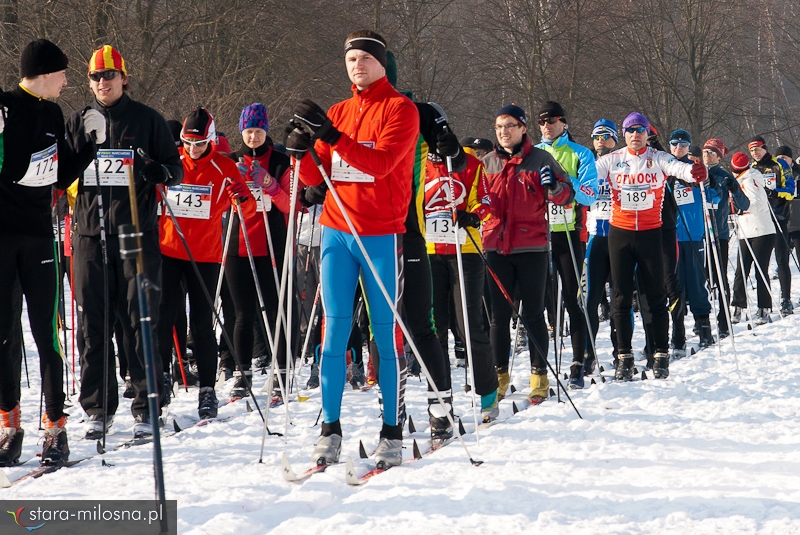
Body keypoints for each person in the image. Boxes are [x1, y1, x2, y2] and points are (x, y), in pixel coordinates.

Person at [287, 29, 419, 468]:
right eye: (350, 60)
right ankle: (330, 427)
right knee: (333, 333)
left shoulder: (401, 109)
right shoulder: (340, 111)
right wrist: (300, 151)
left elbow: (381, 165)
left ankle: (392, 430)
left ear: (382, 63)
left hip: (380, 233)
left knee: (385, 334)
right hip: (336, 232)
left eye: (365, 58)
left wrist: (334, 137)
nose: (357, 65)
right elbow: (313, 180)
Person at [65, 45, 182, 438]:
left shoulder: (147, 119)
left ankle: (147, 404)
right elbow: (62, 172)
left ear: (124, 77)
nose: (103, 83)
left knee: (139, 321)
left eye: (110, 75)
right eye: (96, 77)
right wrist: (81, 148)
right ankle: (98, 409)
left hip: (135, 234)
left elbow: (175, 171)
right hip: (89, 236)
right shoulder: (79, 120)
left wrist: (154, 170)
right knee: (93, 325)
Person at [0, 39, 99, 466]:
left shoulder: (54, 113)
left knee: (45, 335)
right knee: (4, 336)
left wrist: (90, 147)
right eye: (62, 73)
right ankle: (9, 426)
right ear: (42, 73)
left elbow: (57, 175)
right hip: (2, 236)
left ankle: (55, 427)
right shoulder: (5, 106)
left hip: (40, 235)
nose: (67, 80)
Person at [157, 107, 254, 419]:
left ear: (210, 140)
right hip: (169, 250)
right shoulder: (174, 161)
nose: (192, 149)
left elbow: (246, 207)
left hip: (204, 256)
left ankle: (208, 391)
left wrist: (241, 196)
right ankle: (158, 384)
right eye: (187, 142)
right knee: (163, 318)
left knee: (201, 324)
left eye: (198, 143)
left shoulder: (224, 166)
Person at [594, 112, 707, 380]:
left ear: (647, 134)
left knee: (656, 296)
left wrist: (695, 172)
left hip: (650, 233)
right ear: (624, 134)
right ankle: (624, 357)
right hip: (619, 234)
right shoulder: (611, 160)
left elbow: (680, 169)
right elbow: (587, 176)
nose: (636, 135)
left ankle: (660, 354)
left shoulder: (658, 158)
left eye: (640, 130)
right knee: (620, 297)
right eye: (631, 130)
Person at [482, 104, 574, 404]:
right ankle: (499, 377)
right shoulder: (487, 164)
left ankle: (539, 375)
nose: (503, 132)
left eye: (509, 126)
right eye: (499, 128)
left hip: (531, 246)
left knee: (533, 314)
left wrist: (553, 187)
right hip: (495, 246)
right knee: (499, 317)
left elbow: (566, 195)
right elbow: (475, 200)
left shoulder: (540, 159)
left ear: (523, 129)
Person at [423, 105, 499, 423]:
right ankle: (441, 404)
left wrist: (472, 215)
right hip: (429, 253)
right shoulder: (416, 164)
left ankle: (487, 395)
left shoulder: (467, 162)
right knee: (434, 330)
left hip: (464, 251)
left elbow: (484, 201)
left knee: (468, 325)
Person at [223, 103, 293, 404]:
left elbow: (292, 204)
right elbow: (219, 204)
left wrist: (269, 183)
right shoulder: (231, 161)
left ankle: (282, 371)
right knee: (243, 314)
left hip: (272, 245)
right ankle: (243, 371)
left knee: (278, 311)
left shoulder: (280, 161)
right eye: (249, 131)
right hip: (240, 246)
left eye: (259, 131)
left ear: (267, 131)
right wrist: (232, 191)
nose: (254, 137)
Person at [534, 101, 598, 389]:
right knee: (541, 301)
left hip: (571, 232)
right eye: (542, 121)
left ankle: (578, 359)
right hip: (538, 234)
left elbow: (589, 194)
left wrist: (563, 179)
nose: (547, 125)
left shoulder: (580, 153)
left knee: (573, 299)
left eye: (552, 120)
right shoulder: (532, 154)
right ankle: (540, 367)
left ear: (564, 123)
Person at [667, 130, 714, 353]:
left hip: (694, 235)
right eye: (675, 144)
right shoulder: (663, 169)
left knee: (696, 283)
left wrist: (704, 181)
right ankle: (678, 334)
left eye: (683, 144)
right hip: (670, 236)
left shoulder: (694, 169)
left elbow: (711, 189)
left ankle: (704, 327)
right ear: (669, 146)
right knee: (675, 286)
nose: (679, 148)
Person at [703, 138, 749, 338]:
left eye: (712, 152)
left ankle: (723, 321)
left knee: (720, 278)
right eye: (705, 151)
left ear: (720, 156)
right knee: (700, 279)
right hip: (698, 234)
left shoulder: (723, 176)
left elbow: (744, 205)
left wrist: (736, 189)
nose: (707, 155)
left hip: (719, 233)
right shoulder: (693, 172)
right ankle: (702, 321)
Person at [584, 118, 618, 373]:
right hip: (595, 238)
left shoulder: (624, 163)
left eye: (605, 136)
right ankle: (587, 353)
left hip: (620, 238)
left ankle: (622, 351)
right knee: (591, 298)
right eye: (596, 136)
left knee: (620, 299)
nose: (600, 141)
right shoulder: (588, 166)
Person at [748, 136, 794, 315]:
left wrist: (774, 192)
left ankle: (786, 299)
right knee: (761, 264)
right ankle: (764, 305)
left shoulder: (780, 165)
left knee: (782, 259)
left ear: (765, 148)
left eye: (757, 149)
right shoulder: (752, 168)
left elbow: (791, 191)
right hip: (760, 220)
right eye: (751, 151)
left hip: (779, 217)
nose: (755, 153)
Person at [729, 152, 776, 325]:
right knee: (741, 271)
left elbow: (756, 204)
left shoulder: (749, 180)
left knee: (760, 270)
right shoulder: (743, 179)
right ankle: (738, 305)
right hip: (747, 231)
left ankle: (763, 308)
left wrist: (741, 209)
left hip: (761, 231)